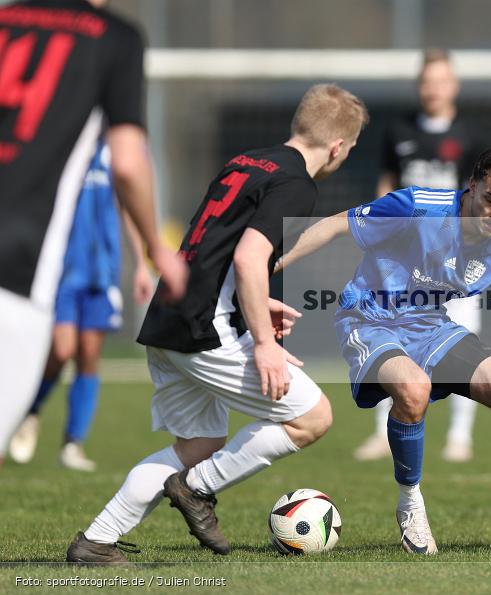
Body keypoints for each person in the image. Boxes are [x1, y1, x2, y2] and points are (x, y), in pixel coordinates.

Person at [65, 84, 368, 565]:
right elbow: (249, 258)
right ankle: (196, 489)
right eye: (348, 150)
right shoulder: (296, 183)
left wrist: (255, 302)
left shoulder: (247, 161)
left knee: (199, 444)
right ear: (337, 147)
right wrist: (264, 343)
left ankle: (96, 542)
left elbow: (215, 249)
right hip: (206, 329)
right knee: (313, 417)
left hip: (169, 317)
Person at [278, 145, 491, 559]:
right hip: (368, 320)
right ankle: (411, 504)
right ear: (473, 184)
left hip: (431, 328)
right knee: (413, 387)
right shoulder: (418, 206)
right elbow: (336, 225)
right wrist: (272, 265)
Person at [0, 0, 187, 466]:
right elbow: (130, 163)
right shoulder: (113, 37)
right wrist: (154, 246)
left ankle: (70, 441)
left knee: (84, 352)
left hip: (81, 266)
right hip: (22, 264)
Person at [356, 48, 484, 463]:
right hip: (402, 259)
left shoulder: (470, 136)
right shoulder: (398, 131)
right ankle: (382, 433)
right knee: (389, 339)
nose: (434, 89)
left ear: (455, 85)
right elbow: (386, 184)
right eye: (427, 81)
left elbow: (479, 199)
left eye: (441, 80)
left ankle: (459, 437)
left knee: (464, 340)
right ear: (419, 85)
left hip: (453, 257)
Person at [8, 138, 154, 471]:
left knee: (89, 354)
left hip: (101, 271)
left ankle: (73, 443)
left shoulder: (117, 147)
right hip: (62, 269)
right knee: (61, 350)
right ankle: (29, 410)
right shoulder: (67, 134)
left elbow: (127, 206)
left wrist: (141, 263)